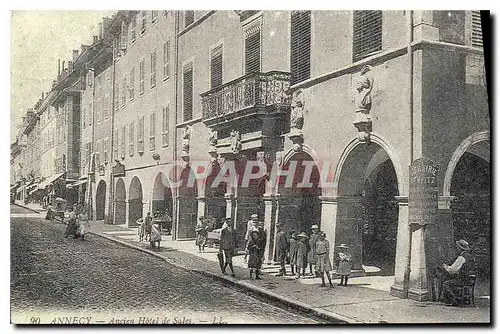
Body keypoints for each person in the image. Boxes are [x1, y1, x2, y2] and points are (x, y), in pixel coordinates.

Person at [440, 239, 473, 306]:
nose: (456, 248)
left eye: (457, 247)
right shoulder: (470, 256)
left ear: (460, 248)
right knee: (451, 279)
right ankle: (451, 299)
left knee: (445, 283)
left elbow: (452, 270)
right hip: (470, 279)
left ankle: (454, 301)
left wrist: (445, 266)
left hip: (463, 280)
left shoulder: (461, 257)